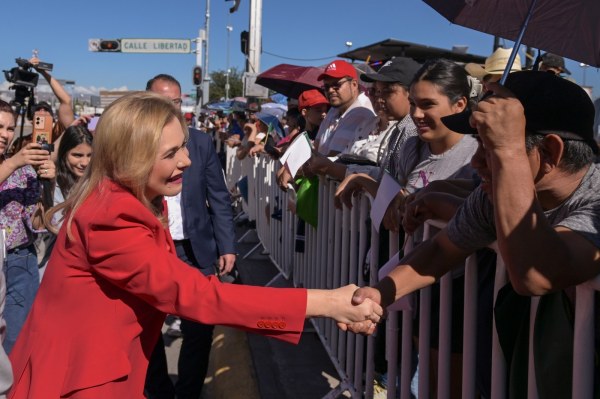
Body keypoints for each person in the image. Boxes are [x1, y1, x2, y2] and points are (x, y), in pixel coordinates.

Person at [7, 92, 382, 399]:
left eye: (183, 148)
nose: (186, 160)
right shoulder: (113, 215)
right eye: (170, 154)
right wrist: (327, 303)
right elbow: (198, 296)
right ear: (129, 157)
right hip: (81, 382)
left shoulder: (123, 199)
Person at [350, 71, 600, 398]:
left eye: (489, 147)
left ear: (551, 153)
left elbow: (536, 275)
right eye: (478, 144)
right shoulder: (494, 190)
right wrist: (381, 292)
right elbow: (443, 249)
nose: (477, 161)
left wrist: (507, 152)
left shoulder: (594, 203)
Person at [144, 74, 237, 399]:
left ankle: (187, 393)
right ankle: (158, 390)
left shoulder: (199, 142)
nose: (170, 108)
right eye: (162, 101)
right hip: (150, 250)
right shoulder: (134, 143)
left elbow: (219, 196)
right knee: (149, 329)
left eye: (175, 101)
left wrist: (227, 245)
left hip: (194, 251)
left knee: (199, 328)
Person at [0, 100, 55, 354]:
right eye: (0, 127)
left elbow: (38, 223)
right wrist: (12, 163)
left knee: (16, 340)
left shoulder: (23, 169)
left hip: (21, 260)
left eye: (10, 129)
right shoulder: (15, 164)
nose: (5, 134)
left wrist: (48, 183)